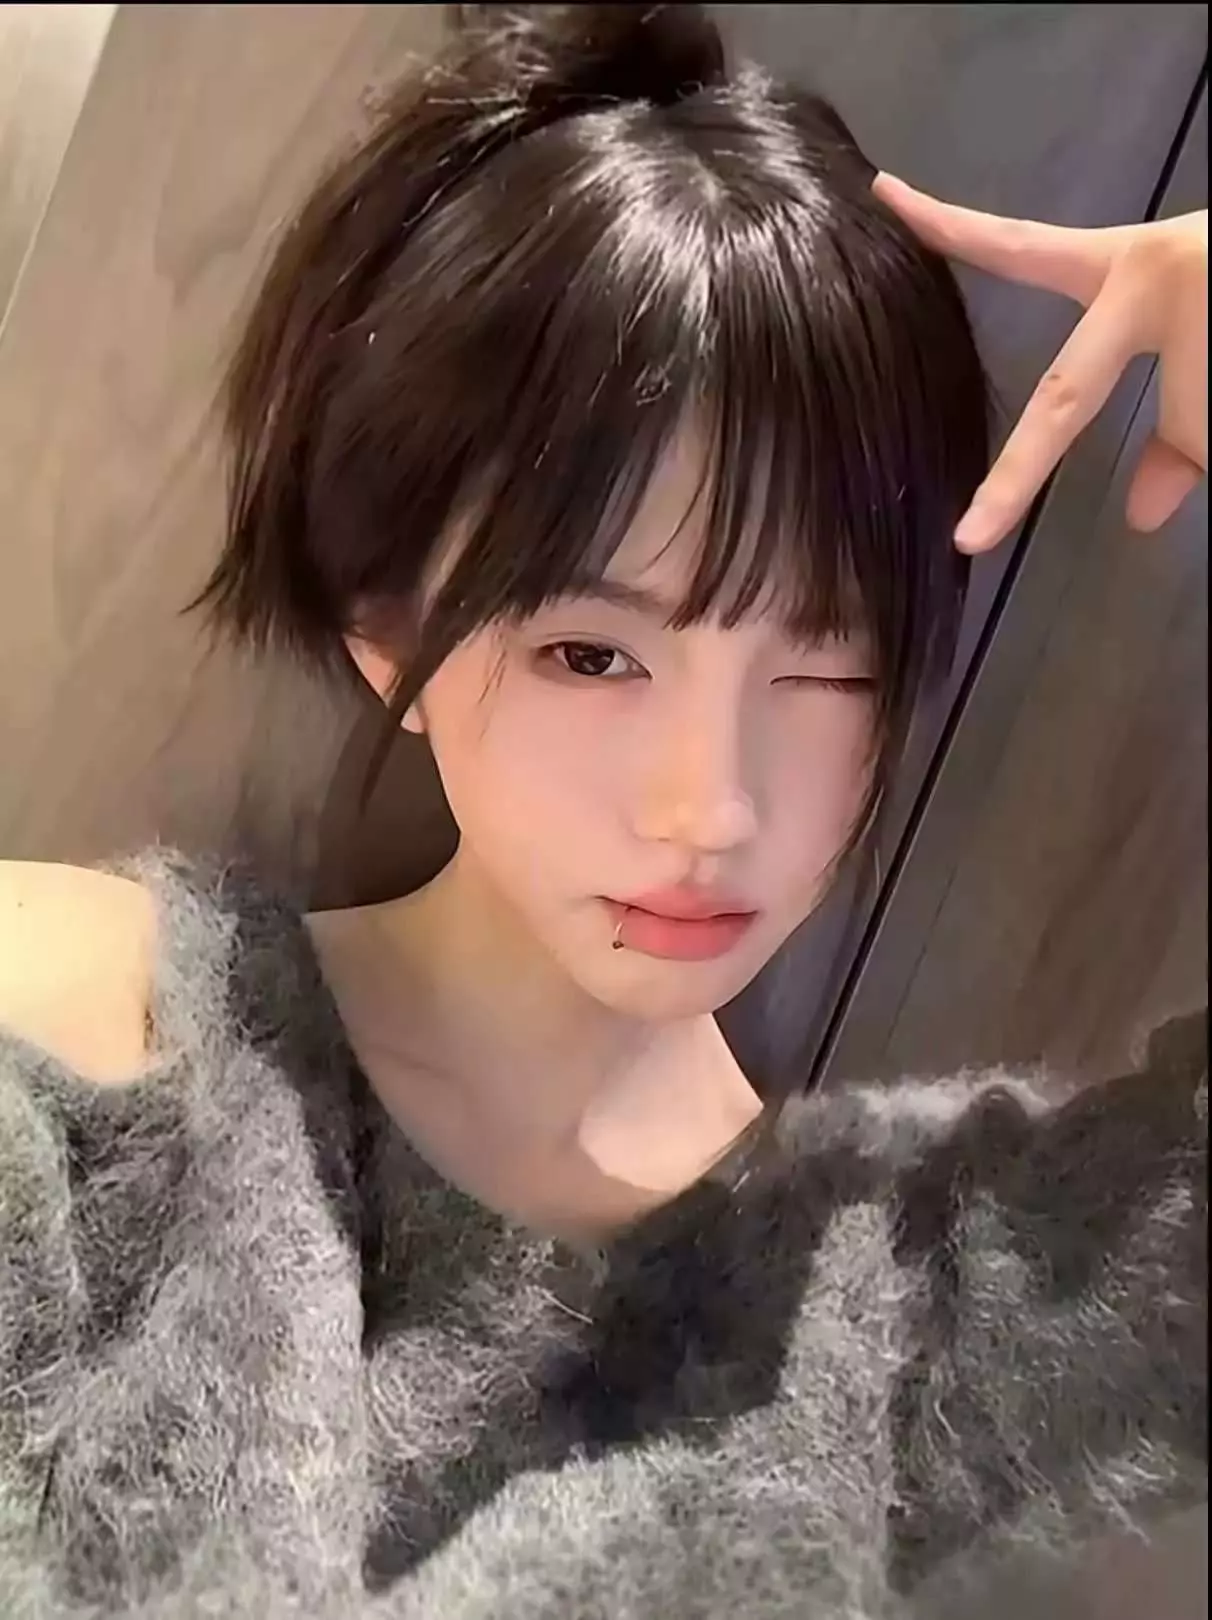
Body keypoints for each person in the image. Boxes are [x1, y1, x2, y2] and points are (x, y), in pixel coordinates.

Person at [0, 7, 1204, 1618]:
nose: (712, 805)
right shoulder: (87, 1031)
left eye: (823, 665)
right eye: (592, 653)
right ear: (390, 643)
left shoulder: (892, 1312)